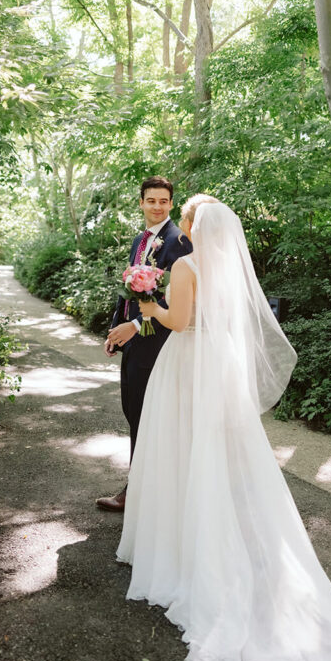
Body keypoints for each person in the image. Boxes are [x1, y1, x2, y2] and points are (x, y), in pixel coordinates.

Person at [117, 196, 331, 661]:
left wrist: (149, 305)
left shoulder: (187, 264)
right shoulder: (232, 267)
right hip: (220, 368)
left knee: (183, 451)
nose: (183, 224)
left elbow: (180, 322)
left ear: (191, 224)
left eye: (184, 217)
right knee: (220, 455)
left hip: (187, 365)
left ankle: (184, 549)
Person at [96, 177, 193, 513]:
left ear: (171, 204)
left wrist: (136, 326)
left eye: (163, 201)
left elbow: (173, 301)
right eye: (151, 200)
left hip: (157, 343)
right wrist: (114, 332)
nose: (157, 206)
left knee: (145, 415)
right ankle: (149, 485)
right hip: (133, 342)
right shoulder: (140, 239)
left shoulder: (177, 242)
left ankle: (135, 491)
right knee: (132, 410)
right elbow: (129, 291)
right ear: (141, 202)